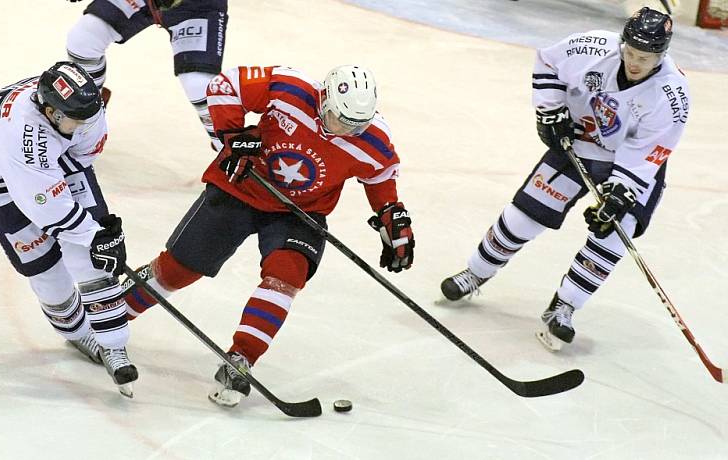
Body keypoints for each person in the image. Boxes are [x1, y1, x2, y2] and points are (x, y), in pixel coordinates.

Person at [121, 65, 415, 406]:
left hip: (299, 211)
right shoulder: (289, 87)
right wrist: (233, 138)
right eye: (339, 119)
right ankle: (111, 316)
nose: (346, 130)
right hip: (242, 184)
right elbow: (224, 86)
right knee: (179, 269)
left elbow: (380, 179)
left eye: (356, 125)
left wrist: (392, 219)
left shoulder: (374, 138)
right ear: (324, 99)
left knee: (286, 275)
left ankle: (241, 359)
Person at [440, 8, 689, 350]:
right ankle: (476, 273)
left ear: (661, 55)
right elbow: (548, 61)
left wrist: (619, 195)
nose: (634, 62)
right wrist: (549, 110)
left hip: (630, 164)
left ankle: (564, 307)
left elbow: (649, 151)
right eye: (630, 52)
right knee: (523, 216)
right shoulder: (592, 48)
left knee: (613, 235)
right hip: (577, 143)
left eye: (644, 58)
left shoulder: (672, 96)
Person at [0, 62, 138, 396]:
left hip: (50, 164)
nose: (84, 123)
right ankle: (78, 333)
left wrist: (94, 236)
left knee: (92, 256)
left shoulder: (87, 107)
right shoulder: (22, 134)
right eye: (76, 119)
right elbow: (41, 203)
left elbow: (83, 154)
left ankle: (115, 345)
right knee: (44, 268)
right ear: (49, 111)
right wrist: (94, 234)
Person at [65, 0, 228, 150]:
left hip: (195, 6)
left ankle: (231, 150)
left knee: (198, 84)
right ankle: (87, 116)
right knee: (84, 38)